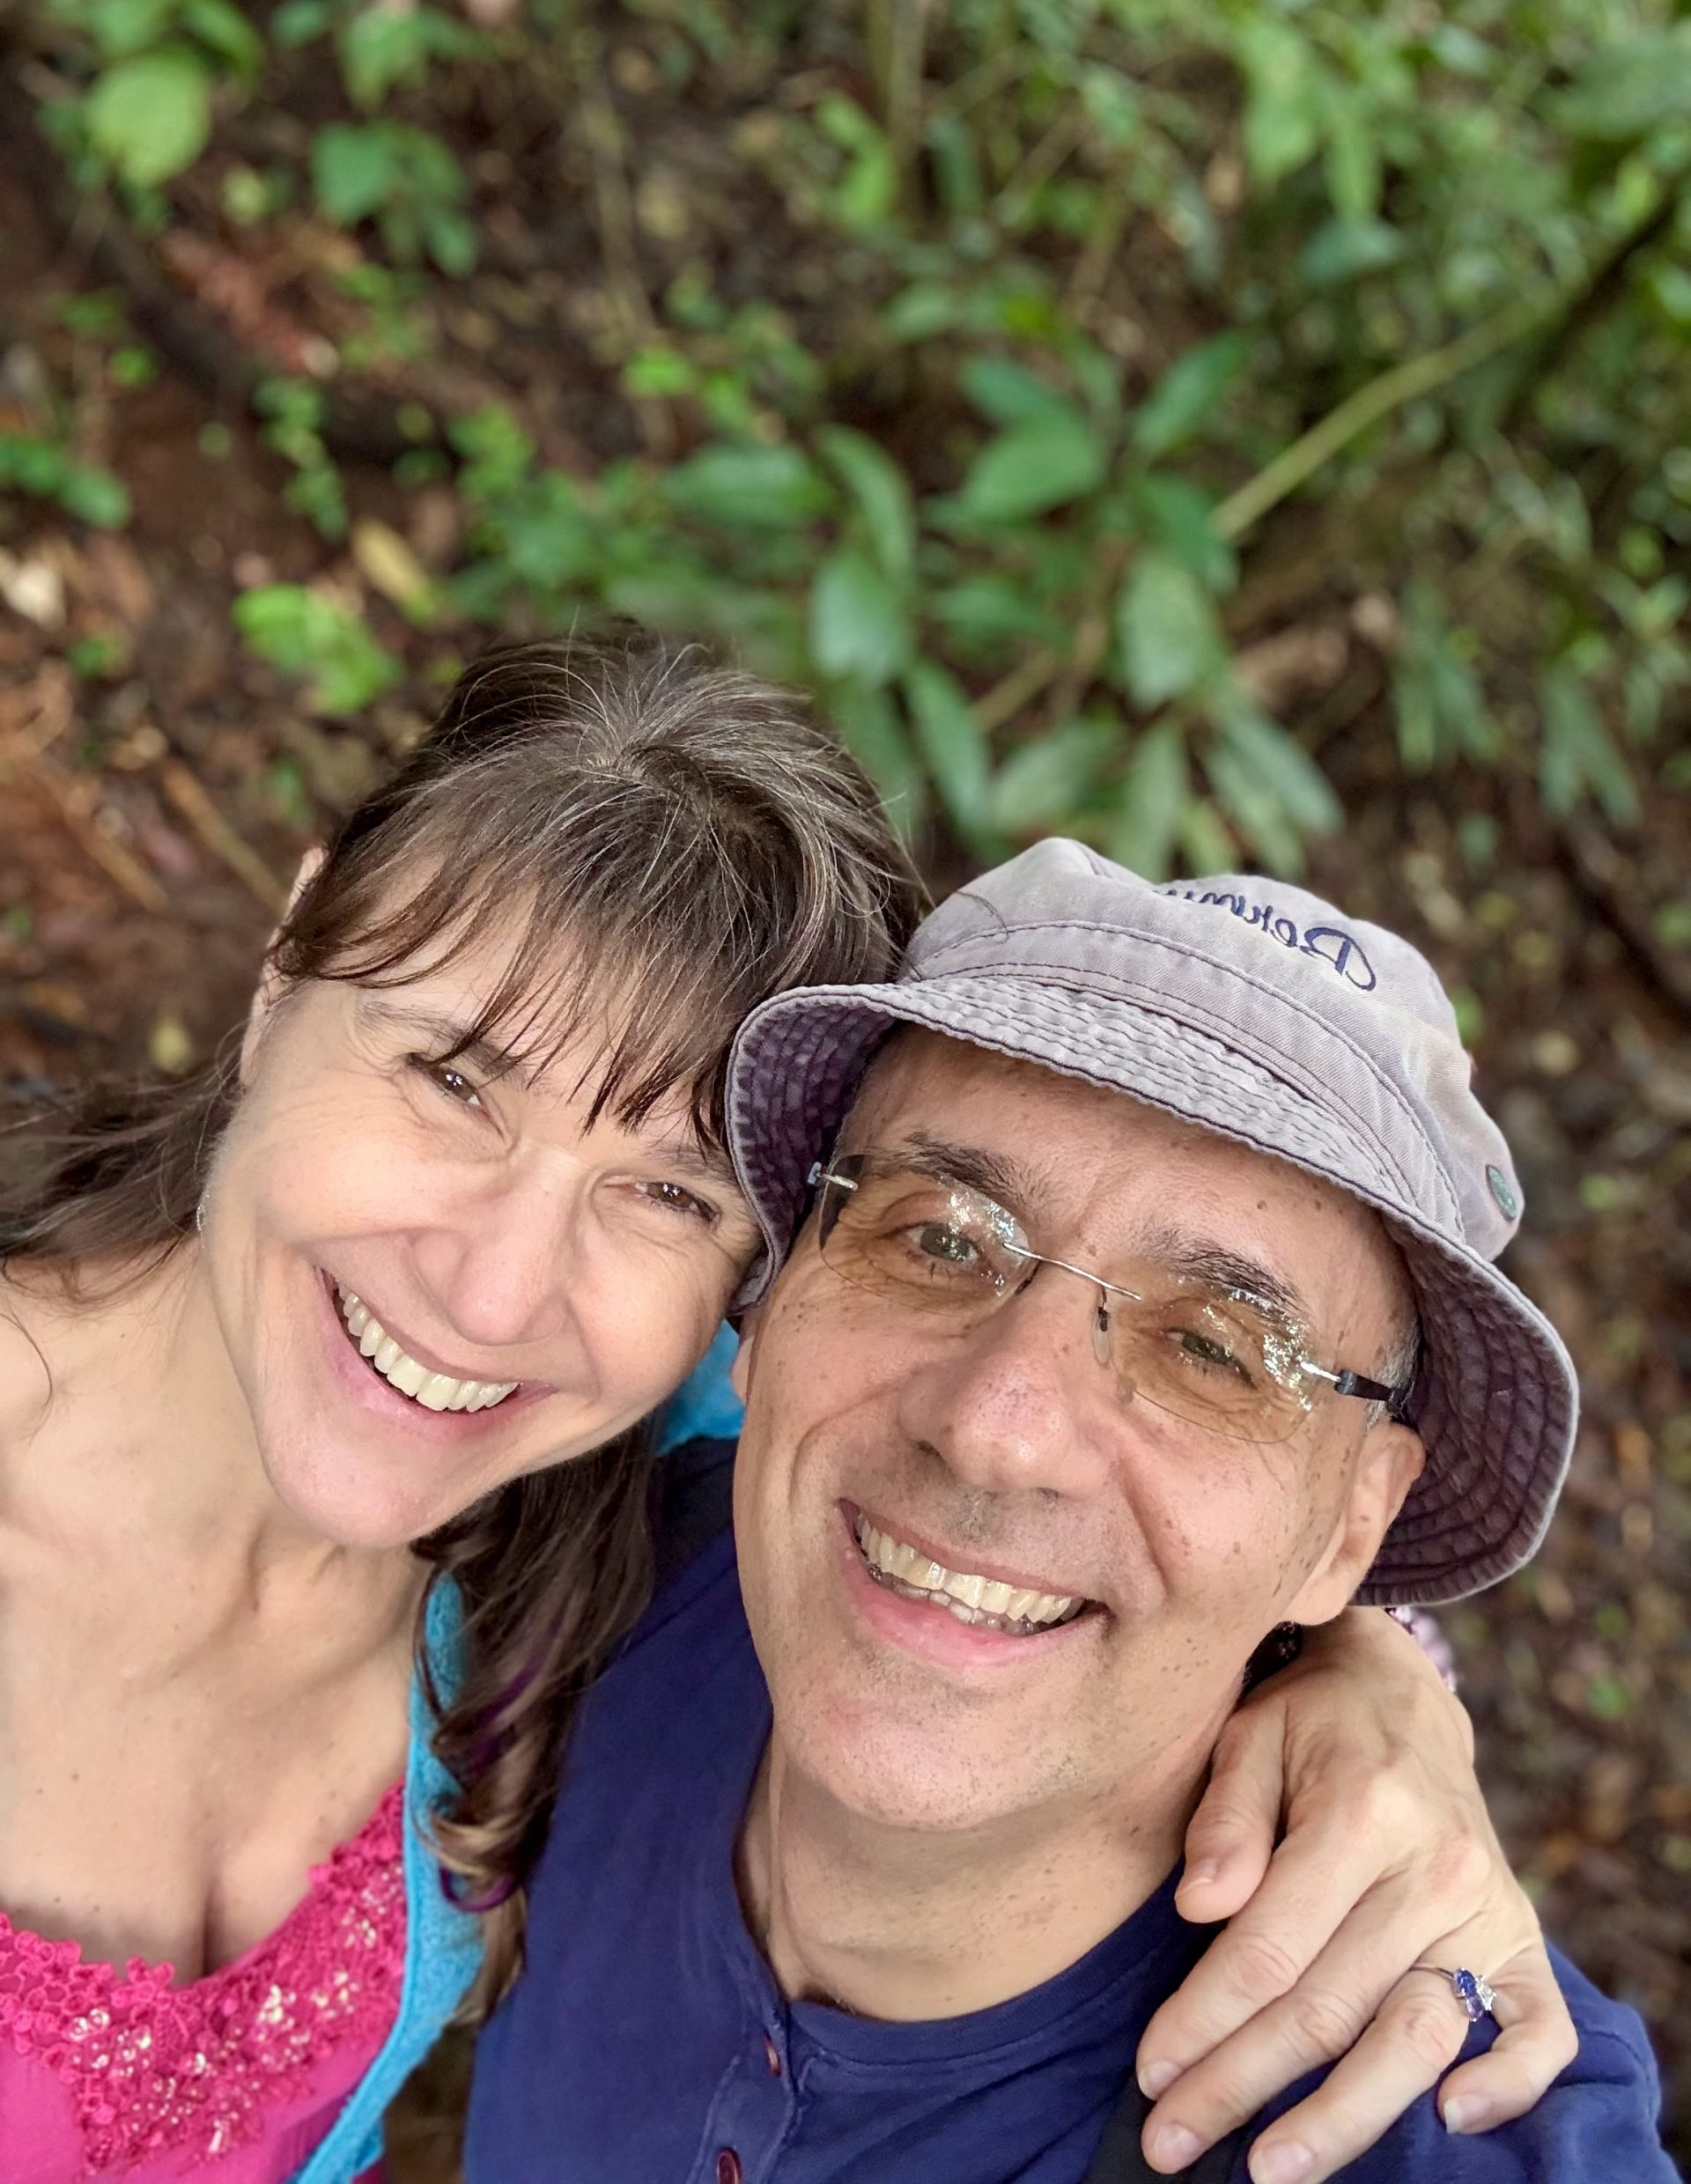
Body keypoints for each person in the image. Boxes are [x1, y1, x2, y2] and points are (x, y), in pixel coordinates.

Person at [0, 642, 1577, 2184]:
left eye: (669, 1194)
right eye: (456, 1079)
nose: (491, 1295)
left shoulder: (633, 1496)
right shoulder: (646, 1492)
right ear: (286, 964)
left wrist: (1372, 1680)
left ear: (745, 1298)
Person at [465, 840, 1680, 2184]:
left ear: (1352, 1526)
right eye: (939, 1238)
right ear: (769, 1297)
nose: (999, 1430)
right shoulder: (578, 1572)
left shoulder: (1438, 2118)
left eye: (1213, 1350)